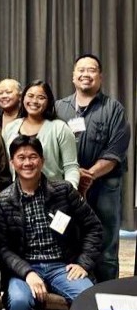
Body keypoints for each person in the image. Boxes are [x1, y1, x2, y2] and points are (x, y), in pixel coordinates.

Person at [0, 135, 102, 310]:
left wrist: (83, 263)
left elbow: (94, 227)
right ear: (12, 163)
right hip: (25, 269)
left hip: (62, 266)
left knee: (89, 298)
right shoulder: (3, 200)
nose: (27, 163)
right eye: (21, 157)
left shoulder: (63, 191)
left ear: (42, 161)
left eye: (33, 157)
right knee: (18, 302)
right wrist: (28, 272)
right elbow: (3, 248)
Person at [55, 53, 130, 282]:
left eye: (91, 70)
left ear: (100, 76)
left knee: (106, 245)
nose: (85, 74)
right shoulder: (59, 107)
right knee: (66, 239)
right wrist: (74, 176)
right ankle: (74, 293)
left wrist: (89, 175)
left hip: (104, 185)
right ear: (73, 76)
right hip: (67, 185)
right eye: (81, 70)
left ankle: (107, 291)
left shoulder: (114, 109)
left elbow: (116, 150)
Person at [2, 80, 79, 189]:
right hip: (18, 193)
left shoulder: (60, 128)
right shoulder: (10, 128)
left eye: (41, 97)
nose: (34, 101)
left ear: (49, 101)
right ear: (23, 98)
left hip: (53, 193)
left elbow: (71, 167)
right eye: (30, 96)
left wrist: (69, 192)